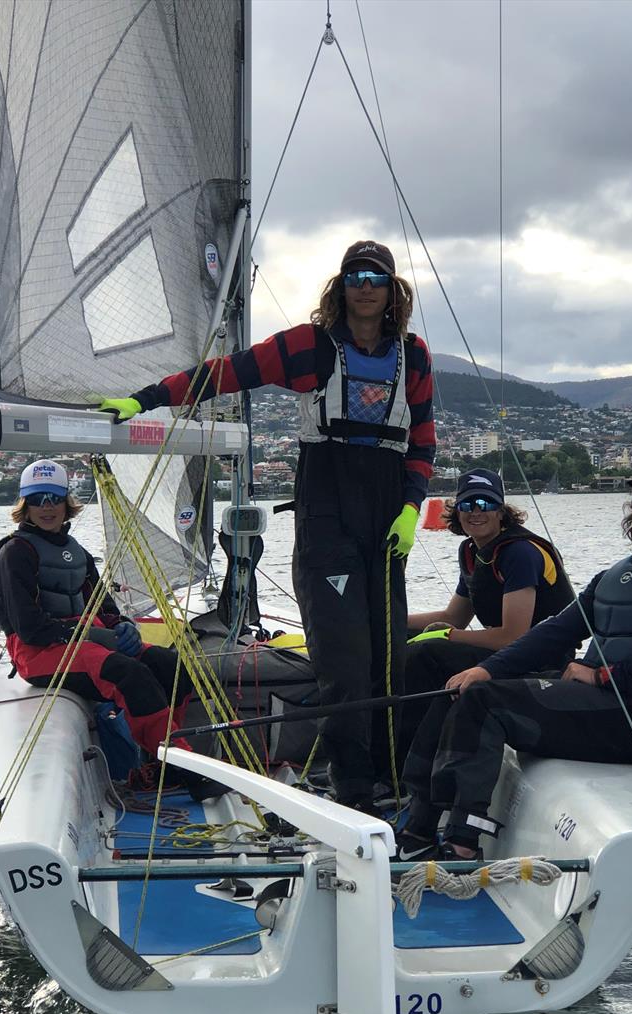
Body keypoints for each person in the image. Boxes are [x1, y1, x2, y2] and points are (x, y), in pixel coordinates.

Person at [96, 240, 435, 812]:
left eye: (377, 275)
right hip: (328, 504)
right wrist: (145, 400)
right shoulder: (311, 347)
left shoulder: (415, 356)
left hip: (387, 509)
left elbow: (422, 439)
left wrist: (411, 508)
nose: (366, 285)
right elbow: (229, 373)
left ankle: (392, 781)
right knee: (345, 664)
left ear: (392, 288)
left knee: (388, 660)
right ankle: (353, 790)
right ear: (342, 284)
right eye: (355, 274)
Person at [396, 459, 632, 861]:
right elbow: (551, 634)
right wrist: (484, 668)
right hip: (596, 704)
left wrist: (602, 676)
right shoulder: (612, 575)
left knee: (484, 703)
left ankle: (463, 843)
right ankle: (417, 826)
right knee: (461, 688)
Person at [0, 459, 226, 801]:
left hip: (84, 643)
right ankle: (181, 767)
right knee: (128, 673)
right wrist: (94, 636)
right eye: (38, 499)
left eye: (54, 497)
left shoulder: (77, 553)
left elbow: (106, 609)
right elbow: (30, 628)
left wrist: (124, 627)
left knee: (169, 665)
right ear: (25, 505)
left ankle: (159, 761)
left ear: (67, 501)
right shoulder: (15, 553)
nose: (47, 507)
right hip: (38, 654)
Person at [398, 468, 573, 767]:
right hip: (507, 652)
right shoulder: (471, 550)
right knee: (400, 640)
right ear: (457, 512)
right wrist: (391, 621)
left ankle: (403, 766)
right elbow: (454, 616)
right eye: (468, 505)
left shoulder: (519, 553)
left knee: (425, 654)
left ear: (502, 512)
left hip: (541, 661)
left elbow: (512, 637)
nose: (476, 512)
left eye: (486, 505)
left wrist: (447, 635)